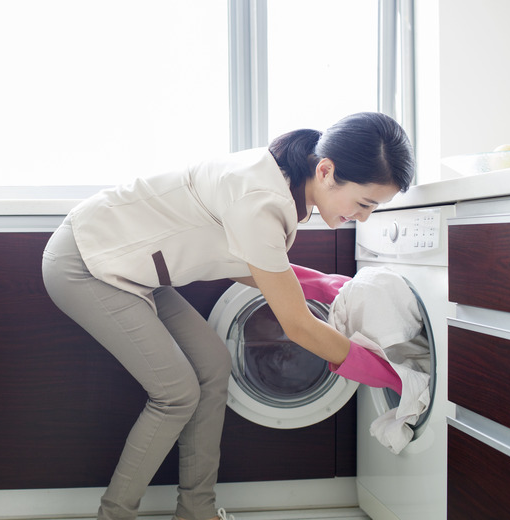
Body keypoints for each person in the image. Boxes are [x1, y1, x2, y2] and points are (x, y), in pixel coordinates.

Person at [42, 112, 414, 520]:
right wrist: (397, 376)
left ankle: (196, 511)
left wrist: (326, 285)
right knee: (176, 393)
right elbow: (299, 325)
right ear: (326, 170)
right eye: (364, 204)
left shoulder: (282, 182)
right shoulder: (260, 197)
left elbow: (251, 261)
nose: (364, 217)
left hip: (133, 266)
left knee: (213, 365)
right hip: (86, 261)